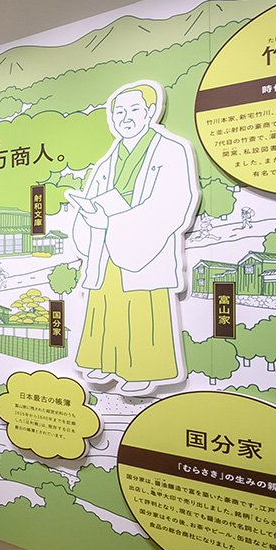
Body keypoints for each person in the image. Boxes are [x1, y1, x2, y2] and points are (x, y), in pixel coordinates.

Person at [68, 82, 197, 395]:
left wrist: (116, 222)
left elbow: (173, 203)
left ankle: (143, 369)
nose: (125, 118)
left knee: (142, 308)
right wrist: (93, 217)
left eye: (134, 110)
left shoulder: (170, 150)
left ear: (150, 112)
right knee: (104, 304)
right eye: (119, 112)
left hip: (144, 248)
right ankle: (103, 361)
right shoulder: (107, 162)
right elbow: (92, 202)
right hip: (106, 247)